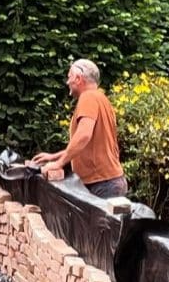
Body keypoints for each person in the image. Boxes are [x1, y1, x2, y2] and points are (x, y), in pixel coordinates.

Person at [30, 58, 129, 199]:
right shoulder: (101, 99)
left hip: (102, 185)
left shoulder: (87, 98)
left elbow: (83, 136)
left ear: (78, 78)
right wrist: (54, 156)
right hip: (109, 183)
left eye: (69, 77)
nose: (67, 82)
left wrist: (58, 163)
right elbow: (87, 144)